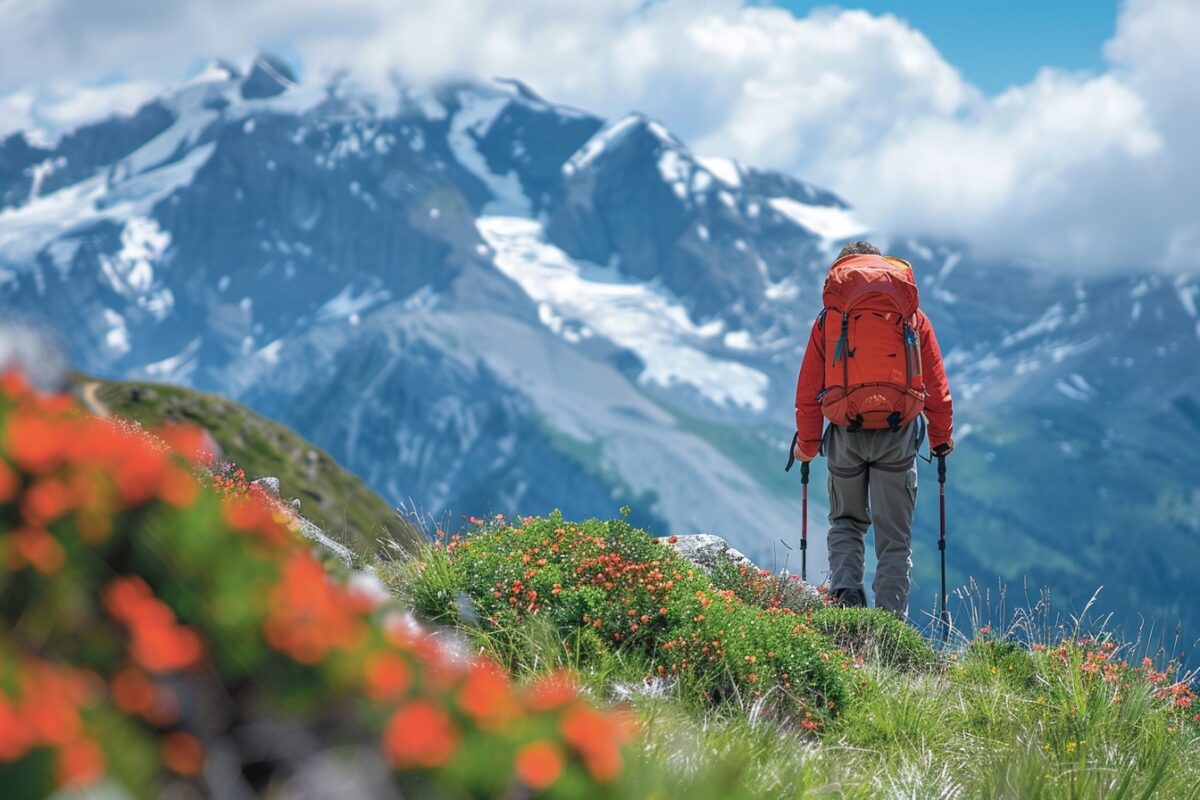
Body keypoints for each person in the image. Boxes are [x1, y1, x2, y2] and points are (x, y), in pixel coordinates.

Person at [792, 241, 953, 620]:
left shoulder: (829, 319)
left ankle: (848, 604)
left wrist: (808, 444)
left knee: (846, 522)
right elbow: (937, 385)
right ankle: (889, 628)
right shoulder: (912, 317)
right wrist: (941, 439)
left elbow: (808, 389)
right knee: (894, 539)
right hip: (898, 435)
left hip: (846, 432)